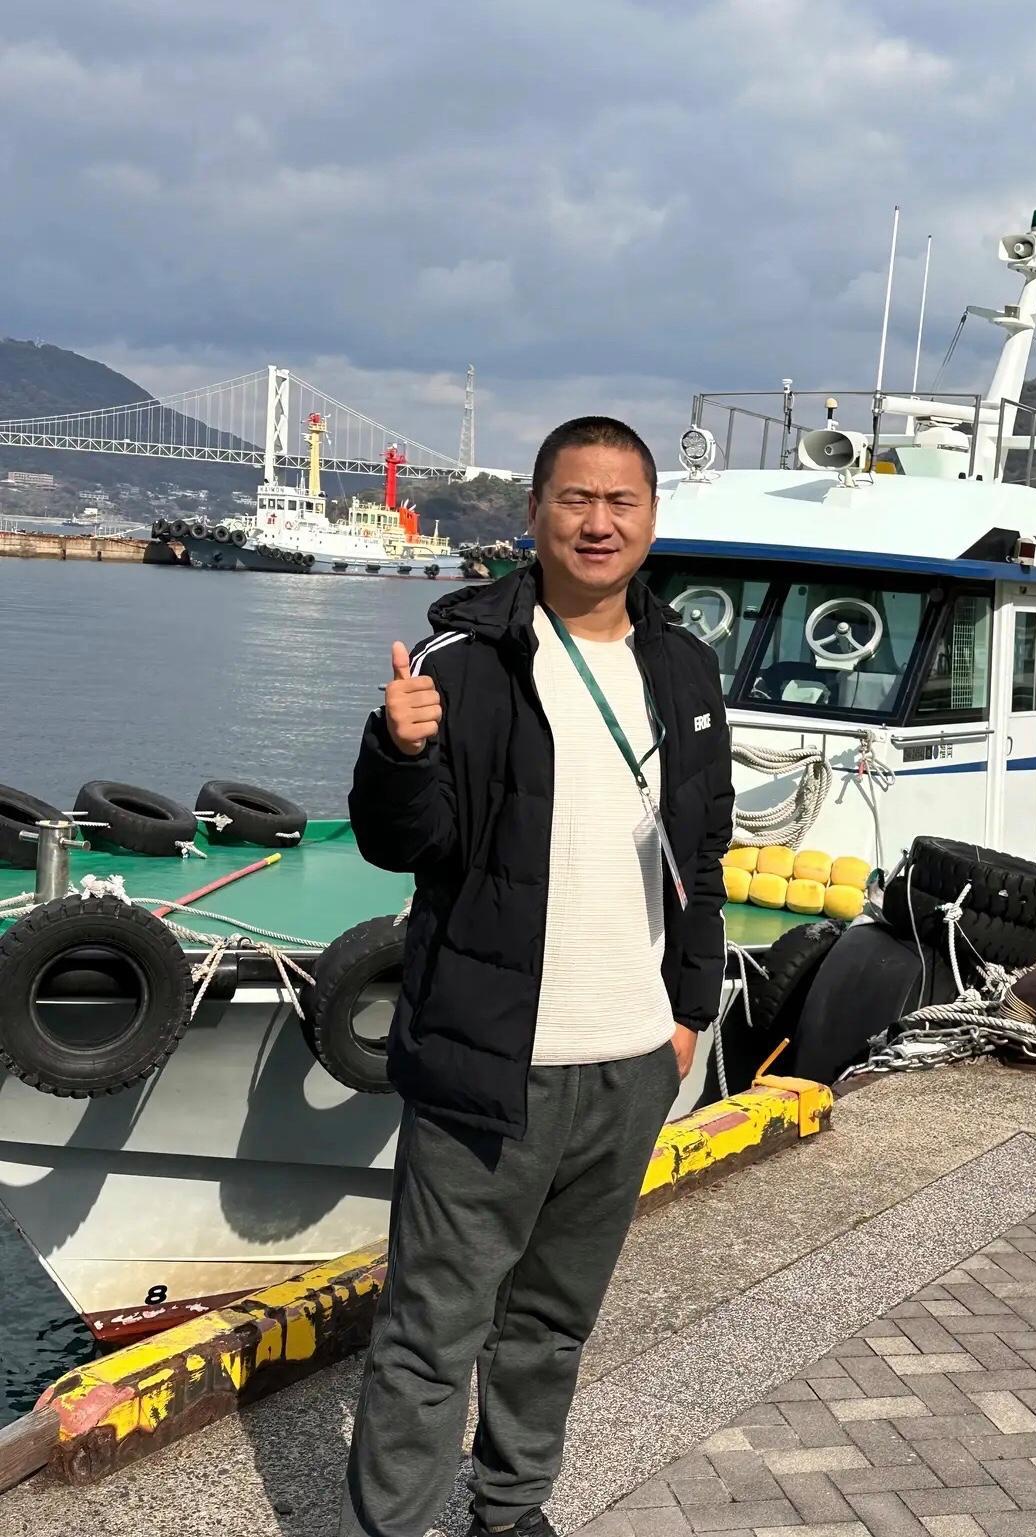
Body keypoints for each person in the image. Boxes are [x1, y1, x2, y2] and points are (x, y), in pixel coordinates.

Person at [340, 416, 733, 1537]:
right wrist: (396, 750)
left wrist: (686, 1017)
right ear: (535, 514)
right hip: (490, 1068)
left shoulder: (684, 666)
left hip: (630, 1060)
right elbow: (405, 845)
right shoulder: (463, 665)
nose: (597, 522)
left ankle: (510, 1512)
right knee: (431, 1331)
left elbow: (701, 858)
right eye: (575, 498)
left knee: (553, 1324)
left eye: (620, 501)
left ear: (650, 518)